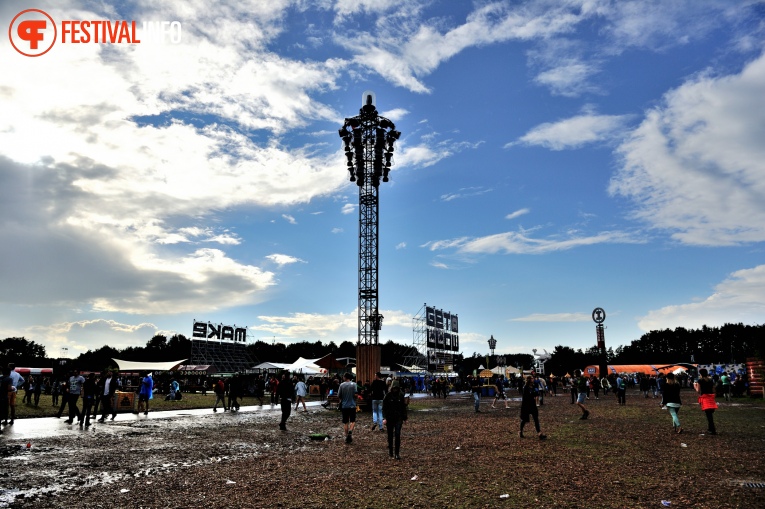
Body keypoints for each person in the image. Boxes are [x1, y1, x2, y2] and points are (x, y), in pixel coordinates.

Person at [382, 380, 408, 459]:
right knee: (390, 435)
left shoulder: (400, 395)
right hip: (389, 418)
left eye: (396, 388)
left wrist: (405, 417)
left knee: (397, 435)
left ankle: (397, 453)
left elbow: (403, 407)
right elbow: (384, 408)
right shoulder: (388, 396)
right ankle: (391, 452)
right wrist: (385, 418)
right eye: (394, 388)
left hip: (398, 418)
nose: (395, 390)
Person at [519, 375, 546, 440]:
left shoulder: (533, 386)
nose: (533, 379)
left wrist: (536, 393)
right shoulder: (525, 387)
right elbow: (526, 396)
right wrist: (533, 393)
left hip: (533, 405)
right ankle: (520, 431)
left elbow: (536, 394)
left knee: (536, 419)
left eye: (533, 378)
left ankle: (539, 433)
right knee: (524, 420)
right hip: (526, 405)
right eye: (531, 378)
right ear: (529, 380)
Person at [694, 368, 717, 435]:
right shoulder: (710, 380)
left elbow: (698, 391)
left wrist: (695, 386)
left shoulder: (700, 381)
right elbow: (713, 389)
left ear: (700, 374)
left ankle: (712, 429)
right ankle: (710, 428)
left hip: (705, 397)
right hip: (711, 397)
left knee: (708, 414)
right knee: (710, 413)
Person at [338, 372, 357, 443]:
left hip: (344, 406)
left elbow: (339, 395)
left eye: (343, 376)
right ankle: (350, 431)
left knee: (345, 422)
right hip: (352, 405)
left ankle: (346, 437)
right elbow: (356, 394)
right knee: (353, 420)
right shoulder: (354, 384)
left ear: (345, 377)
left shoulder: (341, 385)